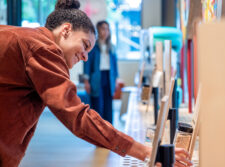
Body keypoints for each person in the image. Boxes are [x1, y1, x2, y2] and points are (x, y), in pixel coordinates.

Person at [0, 0, 192, 167]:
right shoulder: (42, 48)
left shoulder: (24, 38)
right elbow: (77, 116)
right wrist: (145, 151)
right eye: (85, 45)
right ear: (66, 30)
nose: (84, 57)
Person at [83, 20, 117, 124]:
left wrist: (116, 80)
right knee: (98, 105)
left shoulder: (112, 47)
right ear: (98, 30)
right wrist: (86, 81)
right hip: (97, 78)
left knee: (108, 105)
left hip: (109, 77)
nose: (106, 31)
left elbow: (115, 66)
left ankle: (109, 129)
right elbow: (87, 64)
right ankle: (97, 129)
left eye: (107, 29)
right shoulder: (93, 46)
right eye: (103, 29)